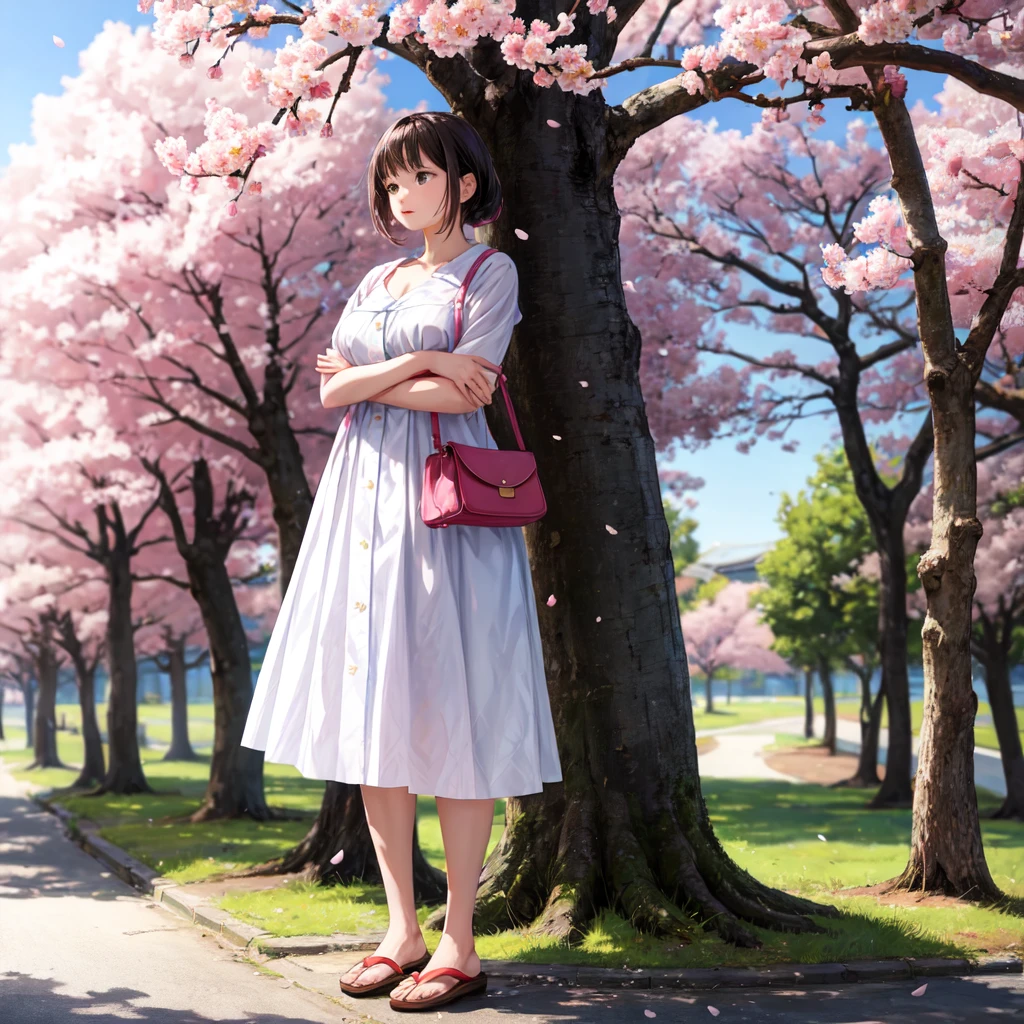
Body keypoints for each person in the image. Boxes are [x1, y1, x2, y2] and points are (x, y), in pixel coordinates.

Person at [239, 111, 562, 1012]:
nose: (402, 195)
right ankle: (400, 928)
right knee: (376, 711)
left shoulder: (490, 271)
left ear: (461, 182)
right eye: (391, 183)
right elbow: (333, 387)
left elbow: (474, 384)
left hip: (448, 505)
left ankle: (459, 938)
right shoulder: (380, 278)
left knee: (455, 705)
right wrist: (422, 360)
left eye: (418, 177)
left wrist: (389, 374)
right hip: (363, 502)